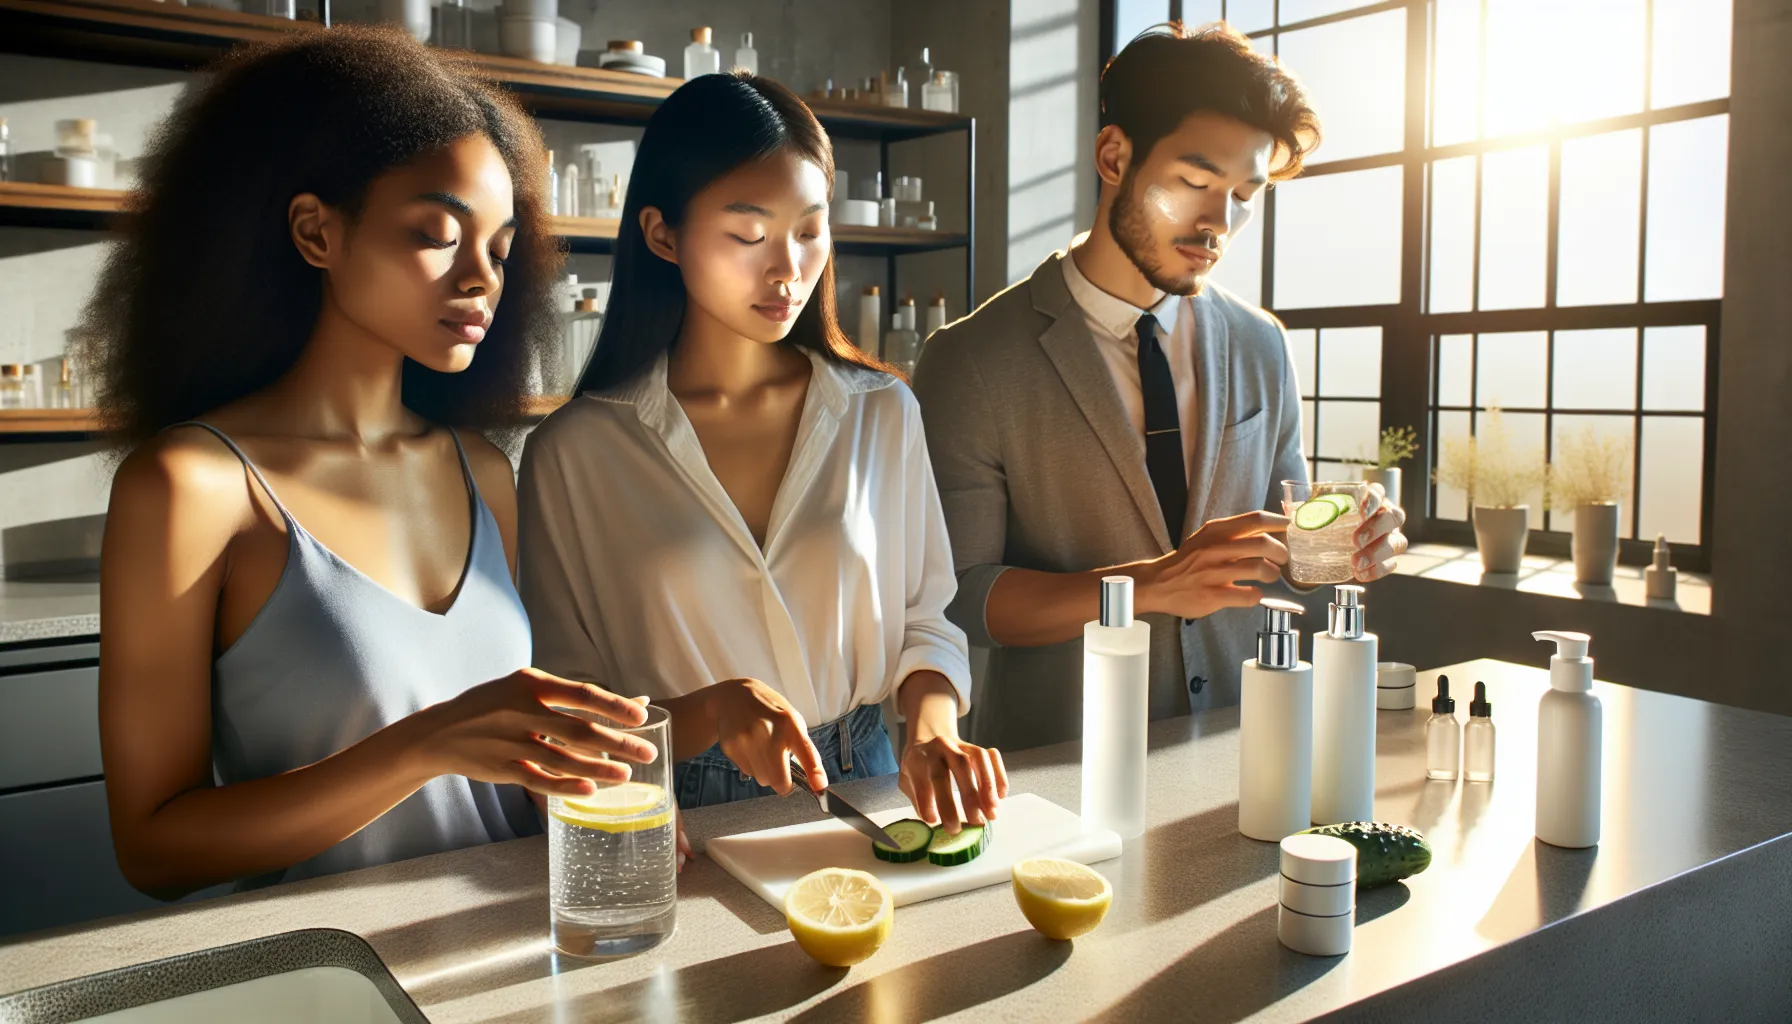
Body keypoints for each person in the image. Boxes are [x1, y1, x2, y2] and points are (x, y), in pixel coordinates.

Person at [91, 28, 669, 899]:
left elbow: (505, 770)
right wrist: (424, 743)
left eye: (502, 250)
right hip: (327, 978)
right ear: (316, 232)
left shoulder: (482, 471)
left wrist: (648, 769)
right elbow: (155, 849)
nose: (481, 279)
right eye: (437, 234)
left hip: (515, 961)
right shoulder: (193, 488)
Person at [517, 72, 1006, 834]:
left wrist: (935, 731)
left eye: (809, 232)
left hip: (872, 780)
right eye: (748, 236)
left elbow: (926, 619)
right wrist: (707, 715)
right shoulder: (573, 453)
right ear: (662, 234)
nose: (787, 271)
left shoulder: (881, 412)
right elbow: (571, 699)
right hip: (677, 808)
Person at [912, 23, 1408, 751]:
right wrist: (1152, 585)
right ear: (1114, 156)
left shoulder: (1261, 342)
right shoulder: (971, 360)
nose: (1219, 223)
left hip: (1244, 750)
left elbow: (1289, 544)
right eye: (1196, 183)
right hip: (1062, 760)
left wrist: (1349, 544)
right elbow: (964, 600)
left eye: (1244, 194)